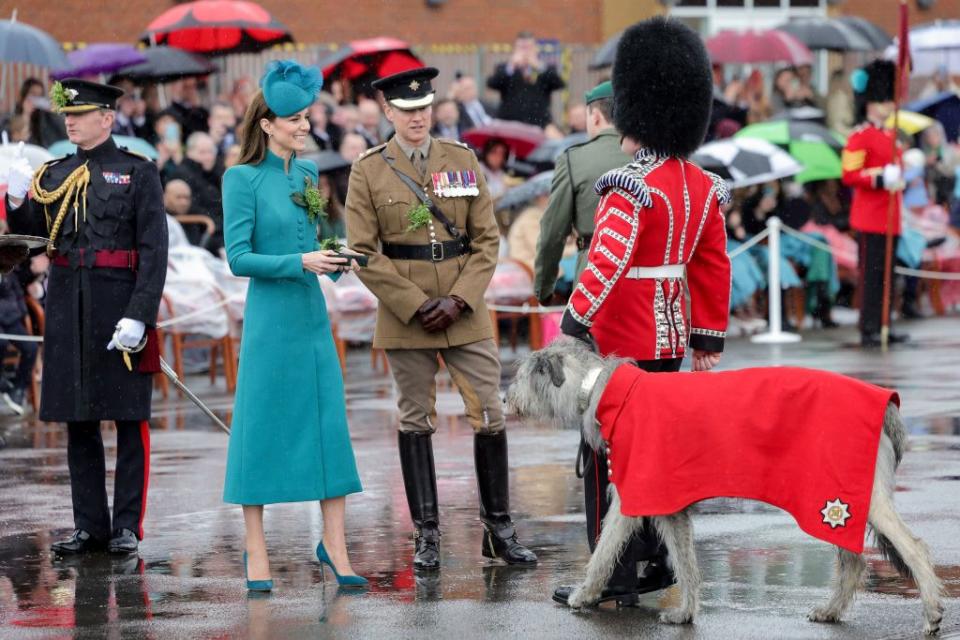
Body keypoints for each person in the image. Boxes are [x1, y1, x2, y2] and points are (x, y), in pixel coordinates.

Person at [552, 17, 731, 606]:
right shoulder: (701, 184)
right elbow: (711, 267)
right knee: (658, 452)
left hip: (619, 338)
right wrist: (707, 340)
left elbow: (606, 259)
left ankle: (614, 574)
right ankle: (656, 562)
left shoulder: (631, 185)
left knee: (610, 458)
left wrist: (574, 322)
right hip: (670, 337)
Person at [345, 67, 537, 571]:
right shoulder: (368, 169)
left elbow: (486, 239)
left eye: (425, 108)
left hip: (463, 308)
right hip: (406, 314)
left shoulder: (461, 159)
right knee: (415, 419)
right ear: (388, 111)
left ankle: (498, 530)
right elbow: (363, 251)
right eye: (407, 111)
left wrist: (459, 299)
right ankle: (426, 535)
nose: (417, 118)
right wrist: (413, 303)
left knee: (491, 413)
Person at [3, 79, 168, 555]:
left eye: (82, 113)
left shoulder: (137, 172)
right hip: (67, 301)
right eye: (68, 115)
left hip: (119, 303)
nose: (70, 120)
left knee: (128, 416)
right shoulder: (54, 173)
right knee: (79, 418)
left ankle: (126, 525)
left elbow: (154, 250)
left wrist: (140, 314)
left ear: (108, 118)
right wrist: (17, 201)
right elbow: (35, 234)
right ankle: (89, 525)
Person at [221, 59, 366, 591]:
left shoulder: (307, 174)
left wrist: (336, 254)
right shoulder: (240, 178)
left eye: (306, 117)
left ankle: (336, 544)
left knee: (327, 425)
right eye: (294, 119)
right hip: (269, 319)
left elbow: (315, 241)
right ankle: (254, 550)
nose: (305, 126)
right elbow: (238, 257)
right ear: (267, 124)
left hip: (310, 313)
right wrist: (299, 263)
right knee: (259, 427)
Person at [534, 81, 630, 304]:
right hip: (649, 278)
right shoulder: (654, 154)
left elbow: (553, 232)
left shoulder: (574, 159)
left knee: (594, 338)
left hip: (595, 273)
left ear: (595, 116)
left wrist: (544, 287)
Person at [842, 60, 907, 348]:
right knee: (872, 277)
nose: (889, 106)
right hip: (870, 218)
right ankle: (869, 326)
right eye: (883, 100)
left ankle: (884, 323)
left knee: (887, 277)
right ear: (870, 102)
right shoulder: (860, 136)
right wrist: (880, 178)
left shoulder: (891, 136)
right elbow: (849, 174)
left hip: (891, 217)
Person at [486, 32, 565, 128]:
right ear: (515, 49)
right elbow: (492, 84)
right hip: (510, 122)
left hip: (539, 123)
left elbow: (559, 84)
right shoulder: (505, 68)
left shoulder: (545, 68)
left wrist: (539, 66)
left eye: (528, 47)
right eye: (521, 48)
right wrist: (511, 66)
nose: (525, 51)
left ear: (535, 49)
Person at [168, 132, 223, 254]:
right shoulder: (182, 174)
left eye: (210, 152)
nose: (208, 157)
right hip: (201, 231)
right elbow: (186, 207)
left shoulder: (215, 173)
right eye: (202, 152)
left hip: (217, 228)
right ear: (189, 152)